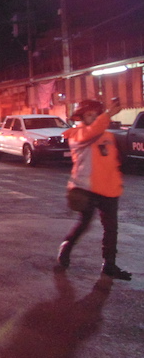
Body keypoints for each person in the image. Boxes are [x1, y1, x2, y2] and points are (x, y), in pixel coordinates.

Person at [57, 97, 131, 280]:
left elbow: (112, 162)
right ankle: (66, 247)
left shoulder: (108, 136)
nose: (93, 118)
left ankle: (109, 265)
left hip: (108, 189)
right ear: (82, 117)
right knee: (84, 224)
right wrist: (107, 115)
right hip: (86, 189)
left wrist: (117, 182)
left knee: (111, 228)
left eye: (95, 115)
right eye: (89, 115)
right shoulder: (77, 135)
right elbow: (91, 133)